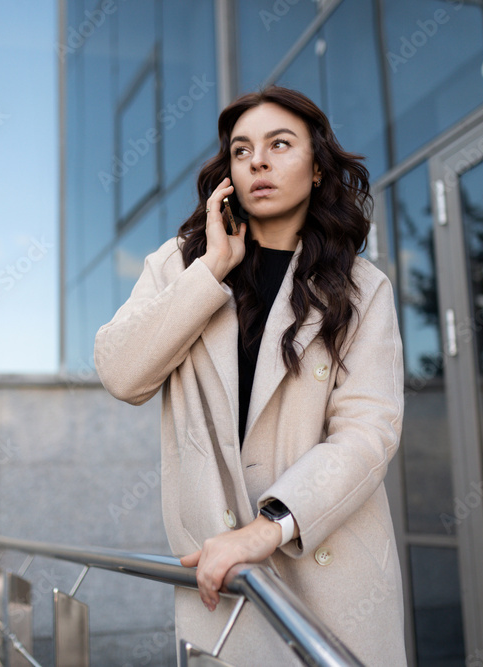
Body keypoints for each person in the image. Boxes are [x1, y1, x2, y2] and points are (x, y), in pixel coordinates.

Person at [94, 85, 406, 666]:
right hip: (222, 578)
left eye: (279, 144)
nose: (257, 160)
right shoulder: (178, 267)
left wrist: (270, 524)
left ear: (316, 170)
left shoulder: (362, 288)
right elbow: (120, 373)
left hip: (327, 569)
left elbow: (370, 431)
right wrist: (210, 269)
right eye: (242, 150)